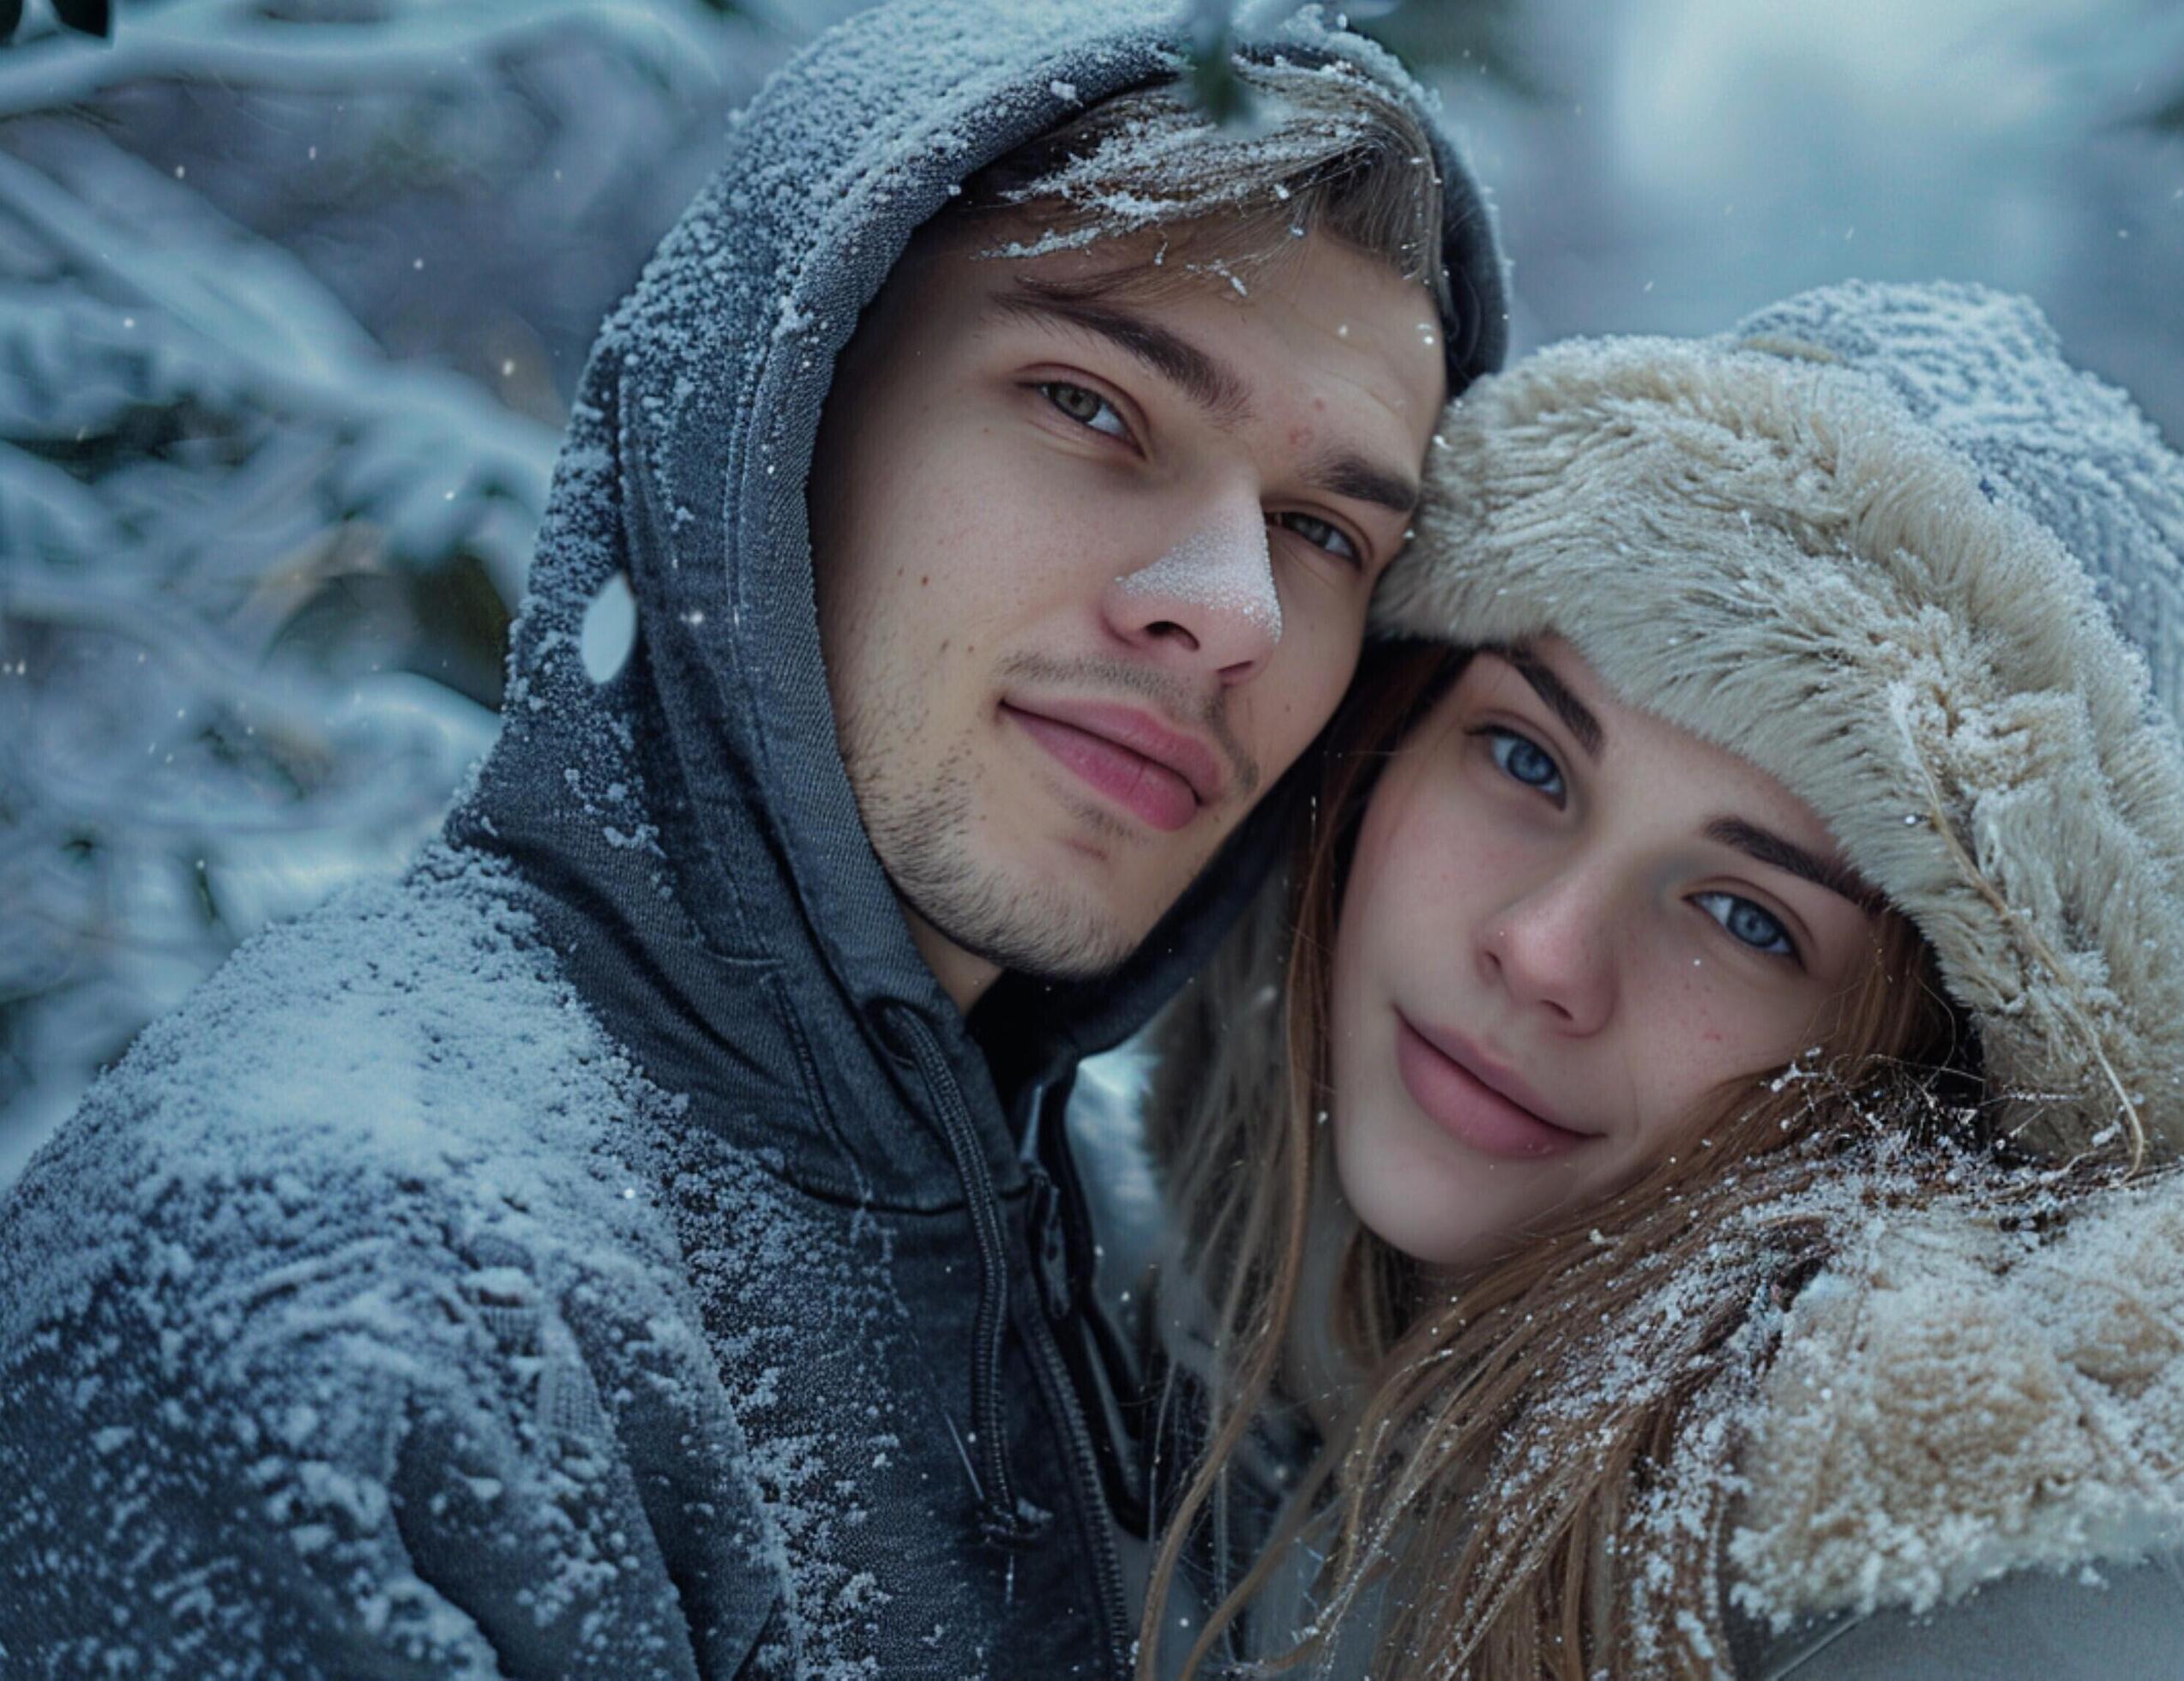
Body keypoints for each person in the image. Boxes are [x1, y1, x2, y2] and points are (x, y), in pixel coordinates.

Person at [0, 1, 1506, 1673]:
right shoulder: (326, 1295)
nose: (1231, 611)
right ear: (768, 428)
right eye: (1091, 405)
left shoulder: (1139, 1282)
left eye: (1320, 529)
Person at [1104, 282, 2184, 1678]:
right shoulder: (1109, 1285)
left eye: (1747, 916)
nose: (1542, 952)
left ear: (1941, 1088)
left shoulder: (1994, 1629)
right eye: (1527, 759)